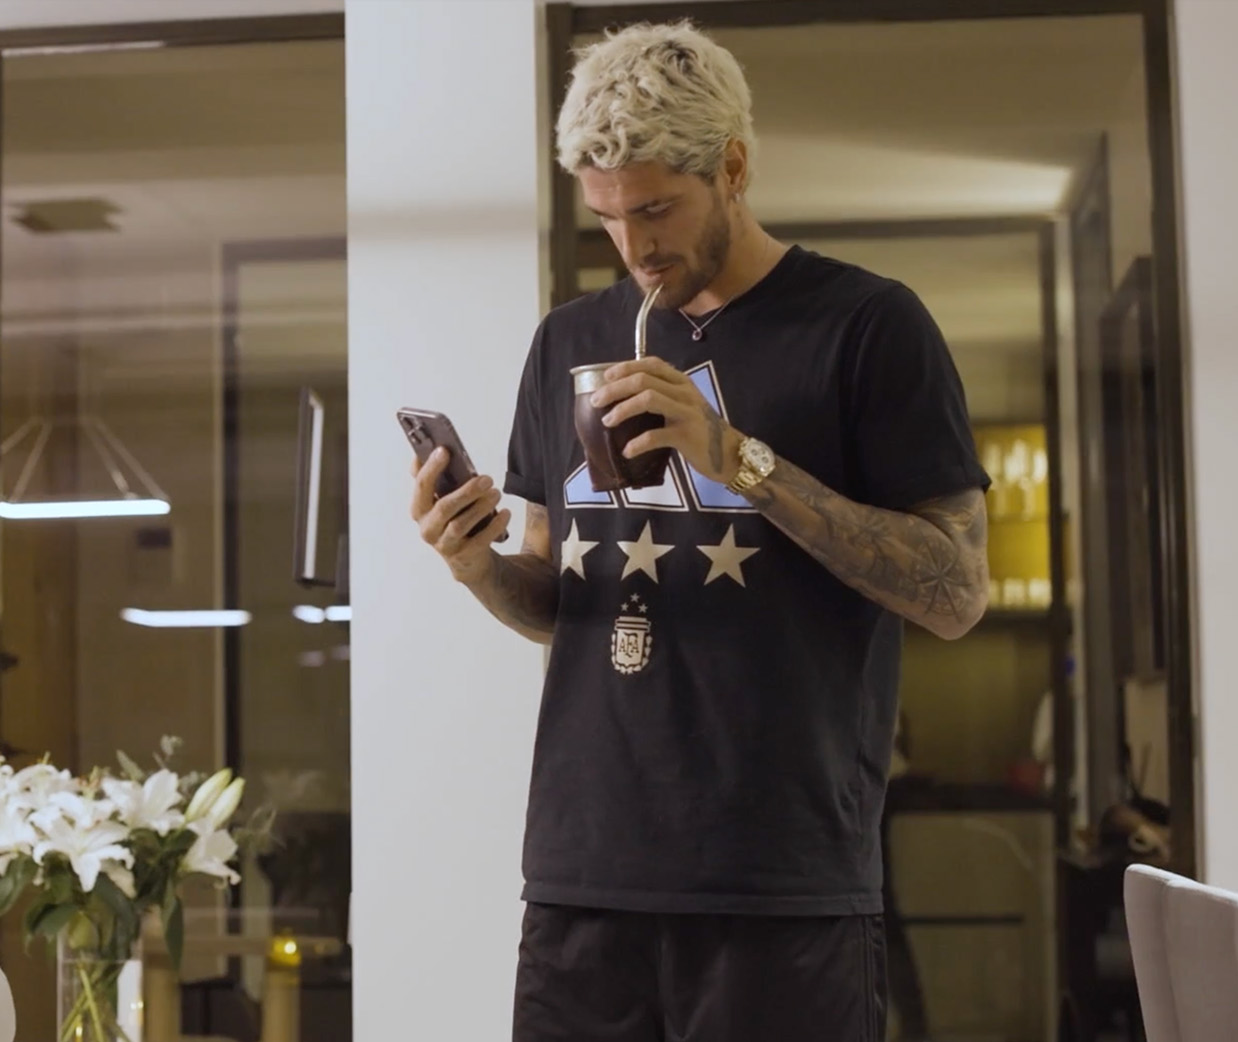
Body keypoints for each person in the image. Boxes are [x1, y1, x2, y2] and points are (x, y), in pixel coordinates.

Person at [408, 20, 991, 1042]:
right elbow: (557, 601)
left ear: (733, 167)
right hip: (583, 876)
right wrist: (475, 567)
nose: (634, 248)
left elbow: (955, 591)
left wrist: (737, 458)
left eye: (656, 209)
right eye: (606, 217)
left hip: (783, 880)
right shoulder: (569, 341)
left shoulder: (867, 326)